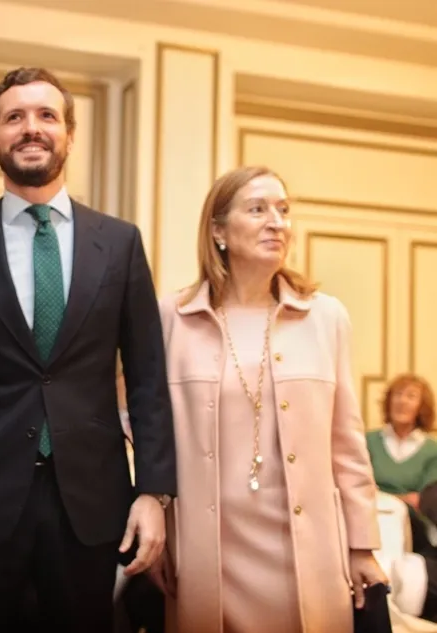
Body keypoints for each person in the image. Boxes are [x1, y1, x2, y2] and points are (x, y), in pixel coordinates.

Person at [0, 66, 176, 632]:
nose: (31, 128)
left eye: (47, 115)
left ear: (69, 133)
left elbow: (148, 378)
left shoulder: (120, 244)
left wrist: (154, 492)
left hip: (90, 502)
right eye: (14, 117)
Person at [155, 165, 388, 632]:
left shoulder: (326, 318)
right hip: (207, 551)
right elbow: (145, 432)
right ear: (218, 231)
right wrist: (157, 523)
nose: (277, 222)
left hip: (307, 549)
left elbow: (348, 445)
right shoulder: (171, 318)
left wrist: (362, 546)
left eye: (283, 210)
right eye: (258, 210)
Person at [367, 374, 437, 513]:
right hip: (370, 515)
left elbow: (423, 501)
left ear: (422, 406)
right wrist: (403, 498)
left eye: (411, 396)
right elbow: (358, 489)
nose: (402, 401)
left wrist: (380, 495)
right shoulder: (368, 441)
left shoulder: (432, 451)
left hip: (413, 521)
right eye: (398, 394)